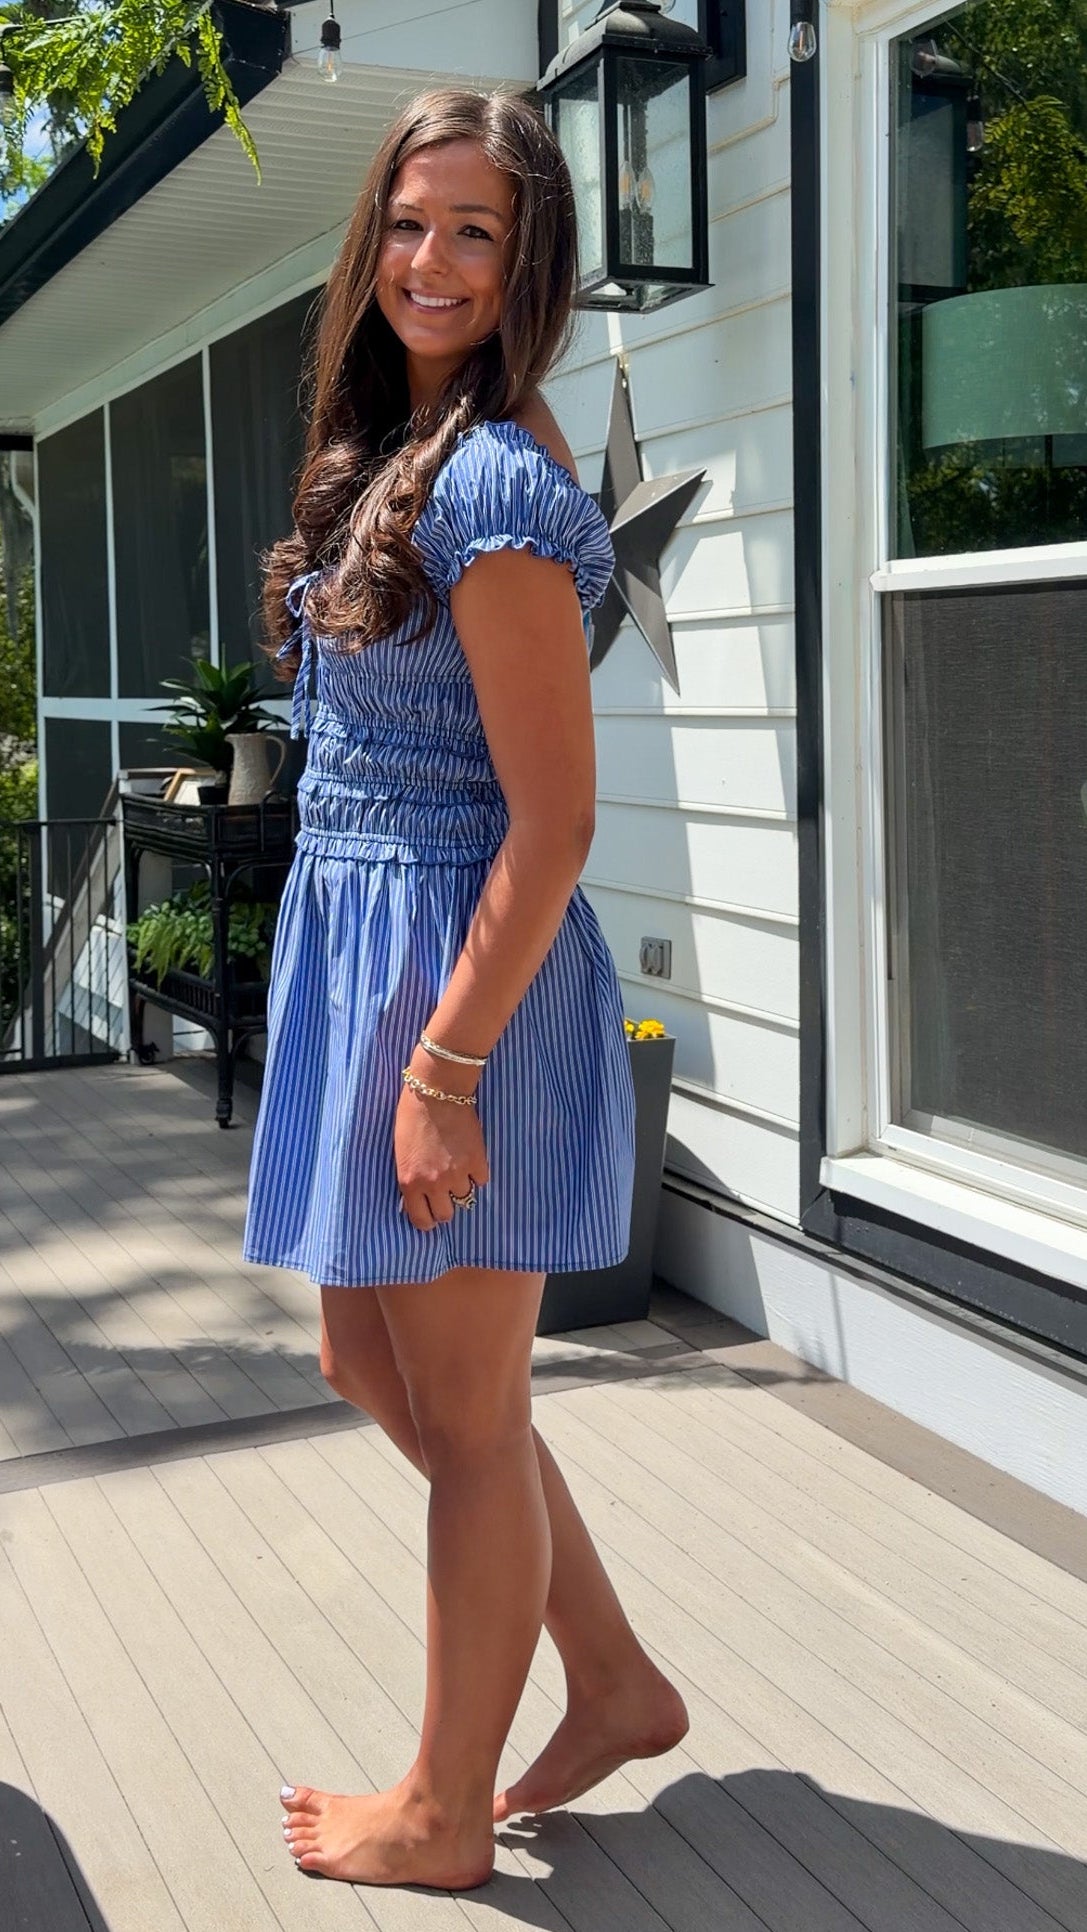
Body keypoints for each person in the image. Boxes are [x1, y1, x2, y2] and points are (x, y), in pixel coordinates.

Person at [242, 85, 688, 1891]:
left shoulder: (493, 484)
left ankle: (446, 1813)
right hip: (372, 959)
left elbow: (557, 824)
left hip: (459, 985)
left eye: (476, 233)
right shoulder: (397, 450)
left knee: (475, 1416)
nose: (432, 260)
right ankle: (615, 1679)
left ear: (528, 272)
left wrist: (443, 1070)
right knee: (378, 1358)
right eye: (411, 223)